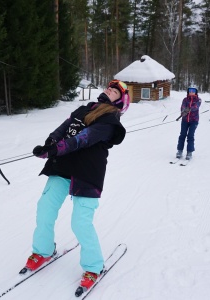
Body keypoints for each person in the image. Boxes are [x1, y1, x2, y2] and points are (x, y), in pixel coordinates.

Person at [19, 80, 130, 293]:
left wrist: (55, 150)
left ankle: (94, 267)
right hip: (63, 167)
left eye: (115, 91)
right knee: (45, 209)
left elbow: (82, 139)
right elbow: (64, 128)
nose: (109, 89)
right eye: (109, 86)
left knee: (80, 222)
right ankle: (43, 250)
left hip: (87, 173)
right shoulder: (84, 109)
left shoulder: (110, 120)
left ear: (121, 101)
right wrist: (50, 143)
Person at [176, 87, 201, 160]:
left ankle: (189, 152)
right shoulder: (185, 99)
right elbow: (183, 107)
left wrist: (188, 109)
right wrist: (184, 111)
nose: (192, 92)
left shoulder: (198, 100)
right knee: (182, 135)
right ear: (188, 91)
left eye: (193, 91)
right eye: (190, 90)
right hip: (184, 121)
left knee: (190, 135)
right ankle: (179, 151)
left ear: (196, 92)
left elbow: (196, 107)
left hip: (194, 121)